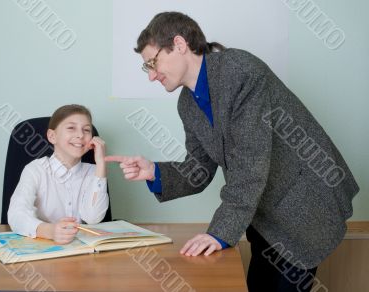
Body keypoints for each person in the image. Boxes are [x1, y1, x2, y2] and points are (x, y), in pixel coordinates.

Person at [105, 12, 359, 292]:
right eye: (147, 69)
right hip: (262, 218)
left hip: (303, 209)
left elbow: (251, 165)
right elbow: (199, 170)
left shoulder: (241, 72)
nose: (152, 75)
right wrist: (154, 171)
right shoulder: (187, 104)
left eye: (152, 63)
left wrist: (218, 233)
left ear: (179, 44)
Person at [8, 104, 109, 244]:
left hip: (80, 251)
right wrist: (50, 231)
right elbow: (16, 215)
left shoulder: (94, 172)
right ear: (52, 136)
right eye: (71, 128)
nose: (80, 135)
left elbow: (93, 218)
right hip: (42, 246)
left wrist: (101, 163)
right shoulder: (35, 170)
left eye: (86, 130)